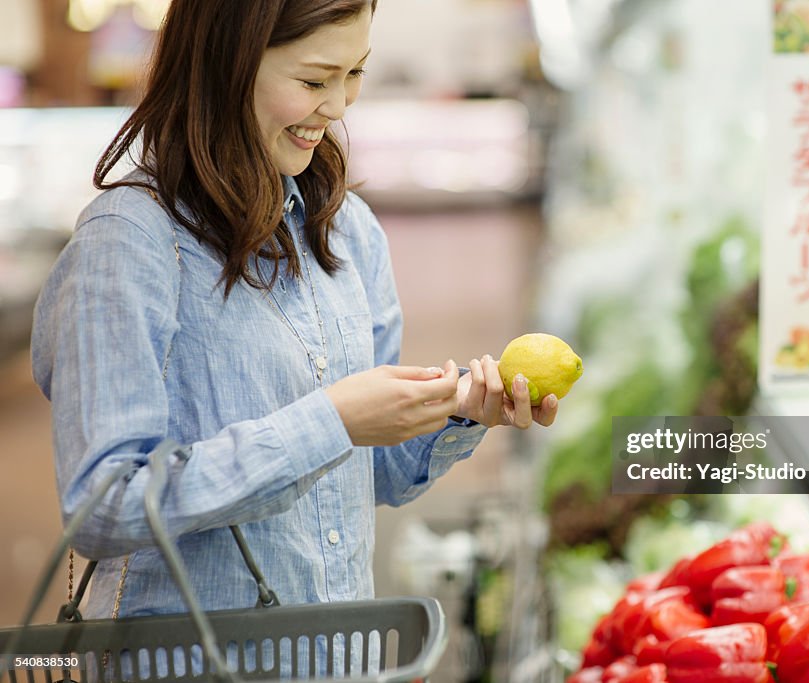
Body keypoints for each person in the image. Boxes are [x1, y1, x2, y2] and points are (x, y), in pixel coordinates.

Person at [31, 0, 558, 626]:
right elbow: (105, 506)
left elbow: (374, 473)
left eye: (355, 73)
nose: (338, 107)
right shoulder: (129, 243)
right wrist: (330, 422)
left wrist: (460, 415)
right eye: (313, 80)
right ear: (227, 65)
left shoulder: (345, 231)